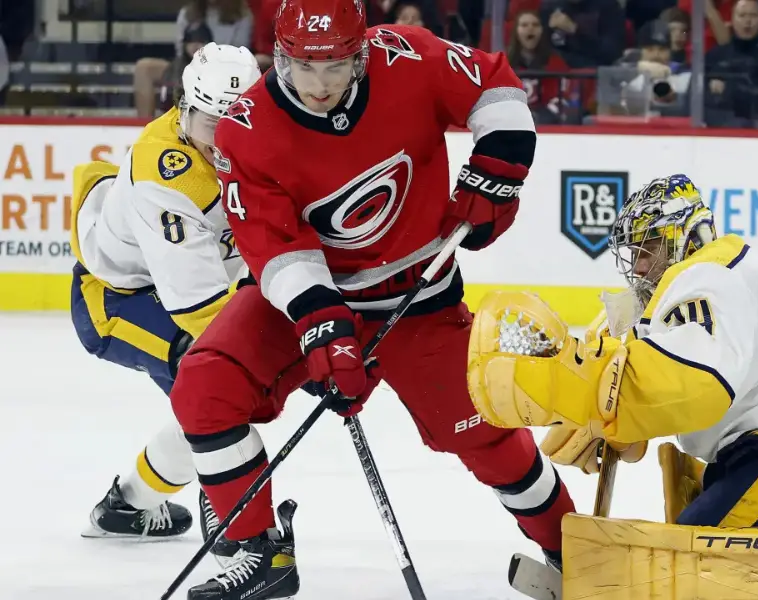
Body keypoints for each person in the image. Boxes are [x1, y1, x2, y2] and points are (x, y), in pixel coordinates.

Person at [169, 0, 579, 598]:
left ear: (363, 52)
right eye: (304, 67)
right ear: (277, 56)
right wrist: (321, 328)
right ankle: (262, 554)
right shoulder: (246, 128)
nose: (319, 86)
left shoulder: (406, 54)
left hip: (421, 299)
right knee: (206, 388)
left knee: (481, 433)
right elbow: (276, 247)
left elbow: (494, 84)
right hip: (312, 299)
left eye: (336, 66)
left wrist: (498, 167)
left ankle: (571, 545)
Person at [467, 174, 758, 599]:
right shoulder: (730, 271)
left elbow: (698, 384)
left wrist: (603, 398)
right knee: (708, 513)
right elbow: (682, 366)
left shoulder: (705, 275)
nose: (640, 266)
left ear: (684, 238)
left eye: (648, 249)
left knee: (696, 560)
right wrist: (614, 393)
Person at [69, 44, 260, 548]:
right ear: (186, 107)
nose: (223, 143)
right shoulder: (167, 174)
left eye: (236, 125)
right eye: (212, 124)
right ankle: (226, 508)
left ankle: (126, 507)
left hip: (183, 285)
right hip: (116, 298)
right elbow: (201, 310)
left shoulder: (258, 142)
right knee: (218, 386)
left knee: (218, 392)